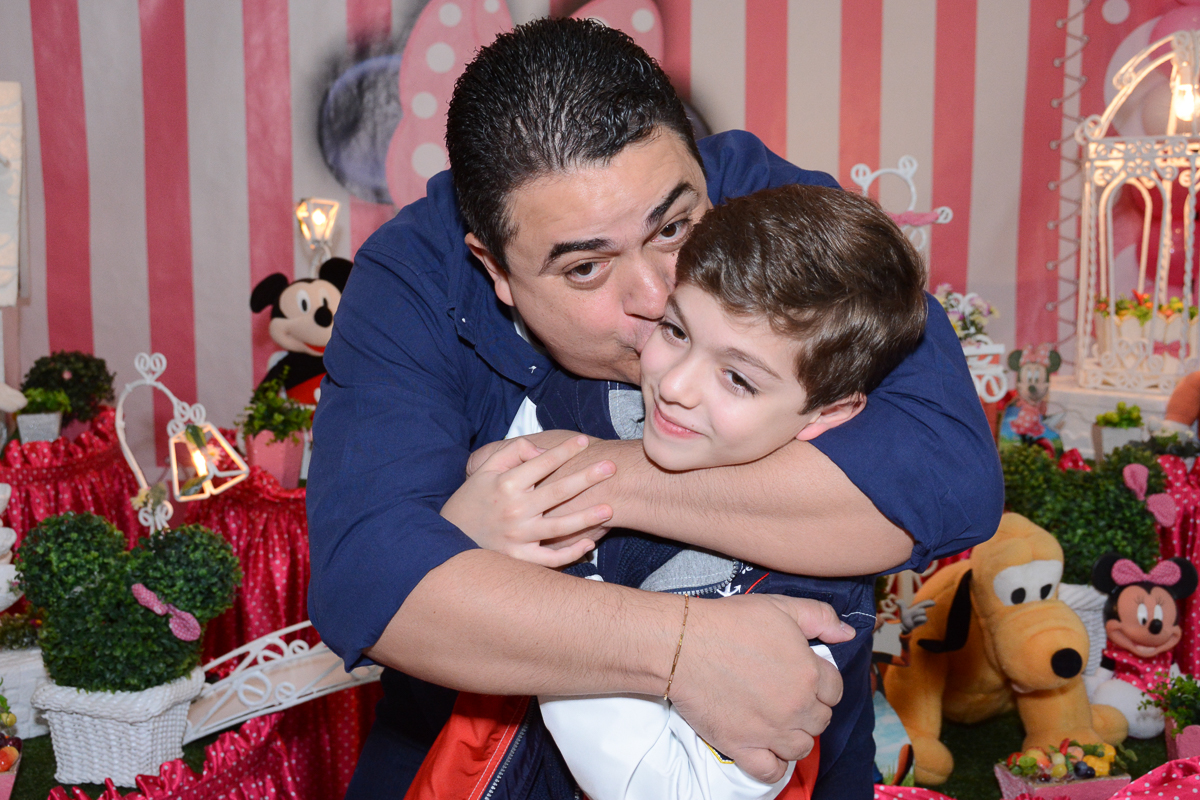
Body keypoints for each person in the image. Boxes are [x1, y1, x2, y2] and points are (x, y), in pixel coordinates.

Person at [305, 17, 1004, 799]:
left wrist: (578, 484)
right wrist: (682, 650)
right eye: (584, 268)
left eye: (675, 227)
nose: (657, 294)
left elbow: (949, 479)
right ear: (493, 269)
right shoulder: (413, 275)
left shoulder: (778, 206)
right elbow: (372, 587)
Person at [450, 182, 928, 800]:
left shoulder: (815, 596)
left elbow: (669, 787)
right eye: (676, 331)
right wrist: (471, 517)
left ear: (827, 414)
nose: (675, 384)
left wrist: (553, 603)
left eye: (736, 377)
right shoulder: (584, 399)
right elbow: (484, 500)